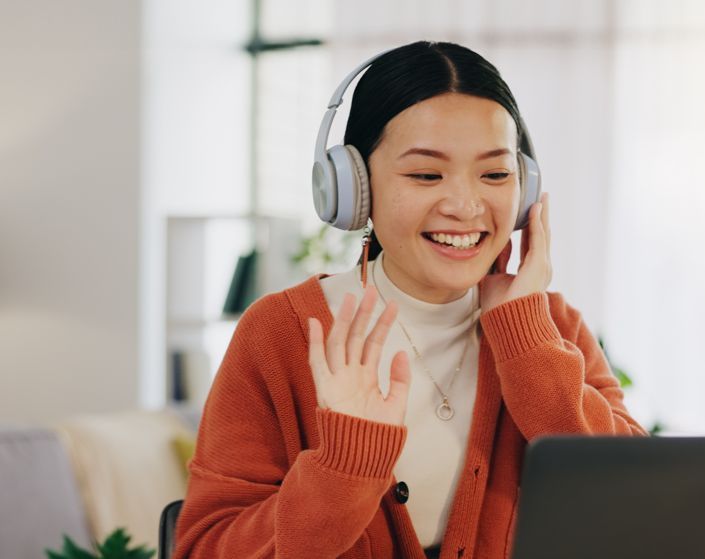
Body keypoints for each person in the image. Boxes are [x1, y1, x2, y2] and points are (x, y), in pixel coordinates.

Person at [173, 40, 645, 559]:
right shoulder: (281, 334)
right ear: (355, 188)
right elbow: (206, 549)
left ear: (525, 189)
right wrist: (345, 464)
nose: (466, 206)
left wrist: (526, 343)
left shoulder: (549, 328)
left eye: (494, 174)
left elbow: (635, 504)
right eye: (425, 174)